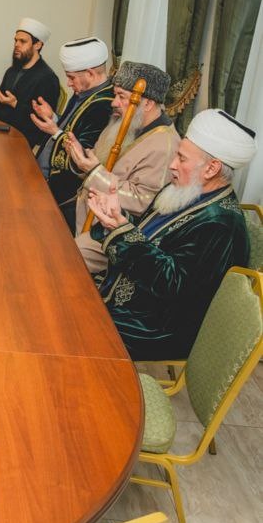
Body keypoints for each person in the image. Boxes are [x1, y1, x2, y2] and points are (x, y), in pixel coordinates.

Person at [86, 109, 255, 361]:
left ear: (211, 168)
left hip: (158, 327)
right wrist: (115, 217)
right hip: (134, 298)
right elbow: (148, 236)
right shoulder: (185, 189)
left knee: (72, 326)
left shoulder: (220, 224)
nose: (172, 165)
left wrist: (121, 231)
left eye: (182, 158)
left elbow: (173, 284)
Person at [69, 61, 181, 272]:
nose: (114, 102)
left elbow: (141, 201)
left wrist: (93, 172)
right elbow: (98, 164)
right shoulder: (123, 122)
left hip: (111, 233)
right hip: (85, 213)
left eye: (121, 96)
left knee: (63, 255)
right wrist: (80, 158)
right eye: (115, 95)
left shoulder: (164, 146)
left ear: (147, 103)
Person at [31, 37, 114, 230]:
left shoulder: (104, 105)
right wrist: (54, 117)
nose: (68, 83)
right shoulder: (84, 92)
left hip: (65, 196)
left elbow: (83, 156)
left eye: (71, 77)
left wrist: (54, 130)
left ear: (90, 73)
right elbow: (72, 127)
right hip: (44, 180)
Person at [0, 18, 60, 150]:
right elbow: (0, 107)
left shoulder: (47, 78)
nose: (16, 45)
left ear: (37, 45)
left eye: (23, 41)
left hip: (21, 141)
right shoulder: (12, 71)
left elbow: (42, 122)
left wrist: (15, 104)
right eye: (16, 40)